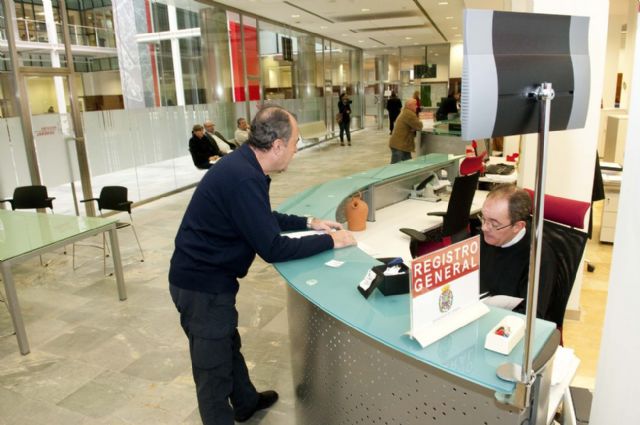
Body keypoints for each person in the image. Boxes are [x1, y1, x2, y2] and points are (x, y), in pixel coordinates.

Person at [169, 105, 357, 425]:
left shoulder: (246, 166)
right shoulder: (243, 177)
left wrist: (309, 222)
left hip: (212, 278)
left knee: (228, 343)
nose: (297, 150)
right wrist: (331, 241)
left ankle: (245, 401)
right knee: (212, 371)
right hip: (200, 284)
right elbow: (271, 247)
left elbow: (259, 218)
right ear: (278, 146)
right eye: (296, 143)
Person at [479, 184, 557, 321]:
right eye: (483, 218)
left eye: (494, 223)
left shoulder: (538, 259)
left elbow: (532, 318)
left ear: (517, 226)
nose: (484, 228)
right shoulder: (486, 237)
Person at [388, 98, 423, 164]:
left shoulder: (405, 112)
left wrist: (414, 127)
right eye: (415, 105)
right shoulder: (409, 114)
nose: (417, 106)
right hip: (399, 145)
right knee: (394, 167)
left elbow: (414, 126)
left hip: (402, 145)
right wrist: (419, 124)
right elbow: (419, 126)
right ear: (409, 106)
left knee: (408, 165)